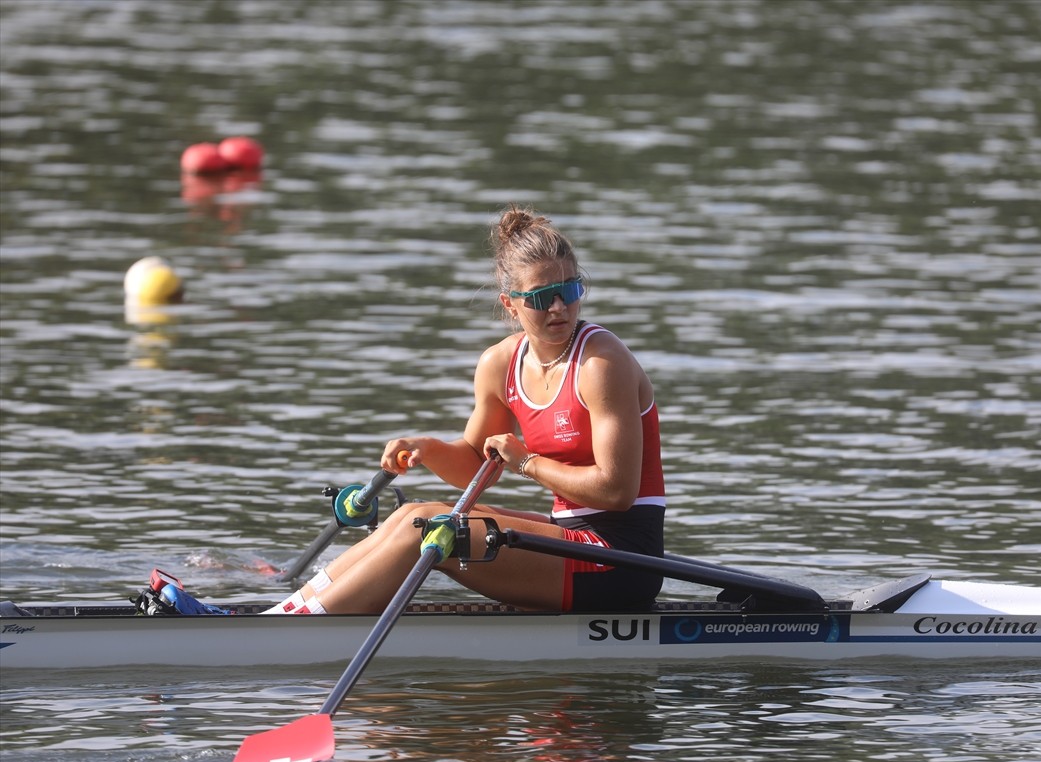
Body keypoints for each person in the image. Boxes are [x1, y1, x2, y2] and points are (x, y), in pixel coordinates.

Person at [164, 206, 667, 615]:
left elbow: (617, 492)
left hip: (620, 560)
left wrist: (528, 464)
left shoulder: (601, 364)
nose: (560, 308)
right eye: (542, 297)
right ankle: (281, 616)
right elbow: (477, 467)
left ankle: (276, 629)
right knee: (409, 516)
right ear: (510, 304)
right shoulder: (499, 364)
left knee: (427, 526)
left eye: (571, 291)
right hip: (570, 539)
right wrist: (428, 450)